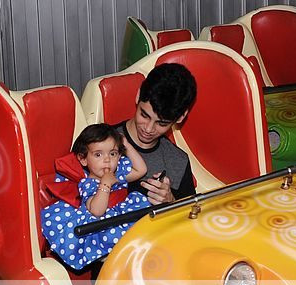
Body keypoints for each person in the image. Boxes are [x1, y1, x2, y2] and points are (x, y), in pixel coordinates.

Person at [41, 123, 149, 270]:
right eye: (98, 154)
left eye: (113, 153)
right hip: (103, 225)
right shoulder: (88, 183)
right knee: (115, 243)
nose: (107, 160)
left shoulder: (118, 173)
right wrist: (105, 184)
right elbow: (97, 210)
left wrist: (126, 144)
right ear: (83, 159)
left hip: (123, 215)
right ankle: (108, 258)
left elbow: (141, 170)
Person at [114, 63, 197, 204]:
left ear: (180, 117)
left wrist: (171, 203)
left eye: (161, 123)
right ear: (138, 95)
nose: (148, 129)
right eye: (144, 115)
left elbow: (190, 213)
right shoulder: (99, 140)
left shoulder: (177, 161)